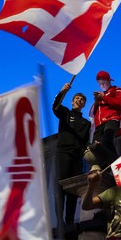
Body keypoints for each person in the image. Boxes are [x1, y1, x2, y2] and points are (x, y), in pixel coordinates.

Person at [52, 83, 91, 226]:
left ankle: (69, 221)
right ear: (72, 101)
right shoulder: (66, 113)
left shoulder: (86, 123)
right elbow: (55, 106)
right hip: (63, 153)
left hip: (77, 157)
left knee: (73, 190)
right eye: (77, 98)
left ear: (84, 104)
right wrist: (62, 92)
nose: (79, 100)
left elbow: (86, 141)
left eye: (82, 100)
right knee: (61, 186)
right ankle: (60, 221)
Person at [87, 70, 121, 168]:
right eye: (99, 83)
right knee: (96, 148)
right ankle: (107, 168)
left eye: (103, 82)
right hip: (99, 125)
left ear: (109, 80)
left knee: (107, 140)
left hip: (111, 120)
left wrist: (104, 97)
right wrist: (97, 102)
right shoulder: (102, 96)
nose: (101, 85)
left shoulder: (117, 90)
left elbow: (119, 103)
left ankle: (118, 165)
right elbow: (96, 113)